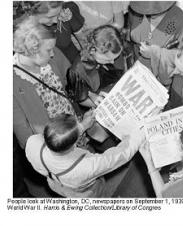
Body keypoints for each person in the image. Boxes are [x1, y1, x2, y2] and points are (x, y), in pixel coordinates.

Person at [25, 113, 145, 197]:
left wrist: (82, 126)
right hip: (88, 193)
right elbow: (121, 155)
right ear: (73, 146)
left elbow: (57, 138)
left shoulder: (33, 142)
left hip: (58, 185)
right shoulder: (88, 166)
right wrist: (141, 129)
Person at [13, 16, 77, 148]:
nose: (53, 54)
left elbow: (72, 82)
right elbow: (21, 128)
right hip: (50, 145)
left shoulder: (53, 55)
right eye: (48, 50)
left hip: (73, 126)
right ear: (32, 50)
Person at [67, 24, 129, 108]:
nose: (112, 62)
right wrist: (105, 105)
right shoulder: (77, 71)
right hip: (97, 94)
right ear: (93, 50)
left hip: (109, 83)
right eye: (107, 59)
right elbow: (81, 99)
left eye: (115, 58)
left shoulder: (109, 52)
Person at [128, 1, 183, 70]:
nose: (150, 13)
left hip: (161, 74)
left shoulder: (181, 23)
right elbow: (131, 30)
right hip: (137, 67)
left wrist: (155, 54)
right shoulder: (138, 9)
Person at [14, 1, 85, 63]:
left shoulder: (66, 12)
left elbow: (83, 40)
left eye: (58, 13)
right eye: (50, 17)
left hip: (74, 63)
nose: (56, 20)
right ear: (31, 13)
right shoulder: (22, 33)